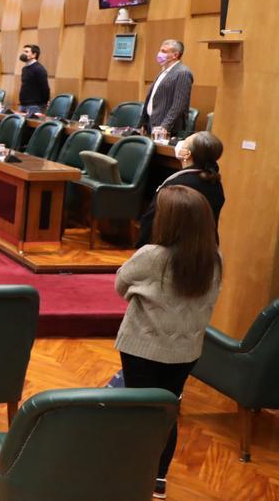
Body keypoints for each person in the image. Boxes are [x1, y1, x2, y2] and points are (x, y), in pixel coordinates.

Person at [115, 185, 221, 500]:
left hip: (143, 347)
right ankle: (157, 478)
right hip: (186, 350)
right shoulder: (214, 259)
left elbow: (121, 284)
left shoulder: (152, 255)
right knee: (167, 409)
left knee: (137, 411)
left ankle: (130, 474)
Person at [137, 131, 225, 248]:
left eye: (185, 142)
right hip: (205, 252)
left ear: (187, 154)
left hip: (173, 253)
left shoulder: (176, 184)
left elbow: (151, 222)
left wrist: (141, 248)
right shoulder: (215, 184)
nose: (180, 143)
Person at [139, 40, 193, 138]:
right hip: (153, 124)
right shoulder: (163, 71)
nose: (159, 54)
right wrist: (144, 122)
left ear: (175, 55)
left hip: (167, 129)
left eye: (164, 51)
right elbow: (152, 98)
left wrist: (165, 126)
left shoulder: (182, 73)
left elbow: (179, 104)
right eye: (160, 50)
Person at [17, 44, 50, 115]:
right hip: (23, 105)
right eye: (23, 51)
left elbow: (45, 87)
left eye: (26, 52)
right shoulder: (24, 69)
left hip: (34, 106)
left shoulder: (39, 69)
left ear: (34, 55)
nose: (23, 54)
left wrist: (44, 103)